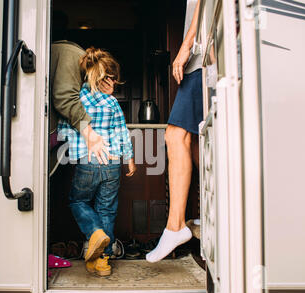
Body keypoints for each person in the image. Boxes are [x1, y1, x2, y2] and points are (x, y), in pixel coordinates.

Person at [58, 47, 136, 276]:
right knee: (107, 210)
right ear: (105, 78)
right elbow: (122, 131)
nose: (114, 84)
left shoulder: (78, 99)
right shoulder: (112, 103)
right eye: (112, 79)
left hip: (89, 161)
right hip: (112, 164)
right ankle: (102, 262)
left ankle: (94, 233)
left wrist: (68, 152)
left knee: (78, 201)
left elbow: (66, 129)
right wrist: (129, 159)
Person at [146, 0, 203, 263]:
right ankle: (216, 207)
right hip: (201, 60)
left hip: (201, 59)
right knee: (194, 142)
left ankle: (175, 226)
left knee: (175, 135)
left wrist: (186, 45)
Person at [50, 11, 114, 176]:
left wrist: (107, 96)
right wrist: (90, 134)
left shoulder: (77, 62)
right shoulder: (71, 55)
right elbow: (65, 98)